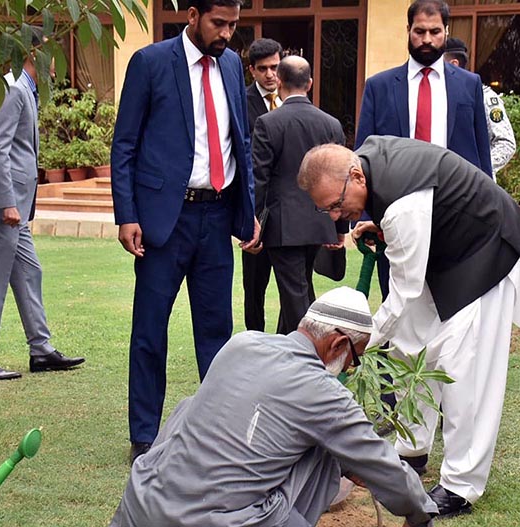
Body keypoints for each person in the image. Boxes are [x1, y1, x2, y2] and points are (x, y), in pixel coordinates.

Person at [298, 136, 520, 518]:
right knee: (410, 344)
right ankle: (412, 447)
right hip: (447, 256)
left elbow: (404, 292)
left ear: (356, 176)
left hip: (487, 252)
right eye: (325, 209)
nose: (335, 217)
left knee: (464, 370)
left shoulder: (402, 206)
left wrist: (356, 342)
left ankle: (461, 486)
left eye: (336, 205)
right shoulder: (373, 169)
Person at [108, 286, 438, 527]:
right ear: (338, 343)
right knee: (328, 450)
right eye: (355, 357)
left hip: (143, 505)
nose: (351, 369)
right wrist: (420, 512)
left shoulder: (243, 343)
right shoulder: (323, 392)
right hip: (219, 520)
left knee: (191, 408)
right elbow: (378, 462)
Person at [111, 0, 260, 463]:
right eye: (219, 23)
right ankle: (144, 435)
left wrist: (248, 208)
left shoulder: (234, 64)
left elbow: (242, 138)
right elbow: (125, 143)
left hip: (217, 216)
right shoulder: (151, 63)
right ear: (192, 15)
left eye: (234, 25)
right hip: (163, 220)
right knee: (150, 329)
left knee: (217, 331)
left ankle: (216, 431)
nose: (227, 34)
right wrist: (127, 214)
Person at [0, 27, 84, 381]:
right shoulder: (13, 88)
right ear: (34, 52)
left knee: (30, 272)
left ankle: (42, 351)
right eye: (51, 51)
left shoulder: (25, 88)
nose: (55, 60)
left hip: (13, 210)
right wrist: (7, 203)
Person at [354, 0, 492, 301]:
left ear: (446, 31)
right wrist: (365, 216)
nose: (427, 39)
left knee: (453, 307)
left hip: (455, 213)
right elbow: (363, 156)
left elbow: (481, 152)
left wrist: (489, 212)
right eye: (419, 31)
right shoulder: (379, 86)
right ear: (408, 30)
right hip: (396, 214)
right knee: (400, 305)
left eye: (434, 31)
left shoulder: (469, 86)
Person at [252, 55, 347, 334]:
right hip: (320, 220)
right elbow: (342, 177)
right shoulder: (331, 124)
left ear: (278, 81)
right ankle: (290, 345)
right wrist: (339, 226)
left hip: (284, 225)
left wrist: (253, 224)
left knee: (295, 294)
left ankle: (309, 354)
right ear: (310, 83)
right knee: (298, 287)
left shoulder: (268, 123)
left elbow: (259, 178)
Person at [243, 37, 282, 332]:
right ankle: (255, 345)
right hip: (256, 211)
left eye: (275, 67)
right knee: (253, 290)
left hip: (287, 213)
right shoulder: (241, 104)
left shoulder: (293, 100)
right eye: (263, 69)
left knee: (293, 288)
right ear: (252, 71)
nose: (270, 74)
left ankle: (289, 345)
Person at [443, 37, 517, 174]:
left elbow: (506, 143)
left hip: (473, 185)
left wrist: (477, 169)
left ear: (454, 64)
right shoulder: (435, 98)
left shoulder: (485, 97)